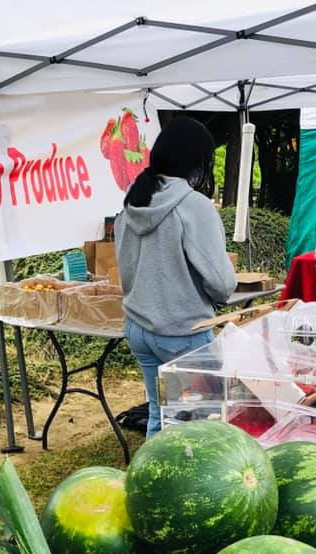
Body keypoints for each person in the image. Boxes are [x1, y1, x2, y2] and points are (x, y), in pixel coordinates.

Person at [115, 116, 237, 438]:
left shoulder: (131, 203)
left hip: (139, 328)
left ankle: (152, 481)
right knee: (201, 426)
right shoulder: (194, 205)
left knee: (161, 414)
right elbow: (222, 284)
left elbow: (125, 272)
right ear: (196, 159)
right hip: (183, 332)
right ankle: (185, 486)